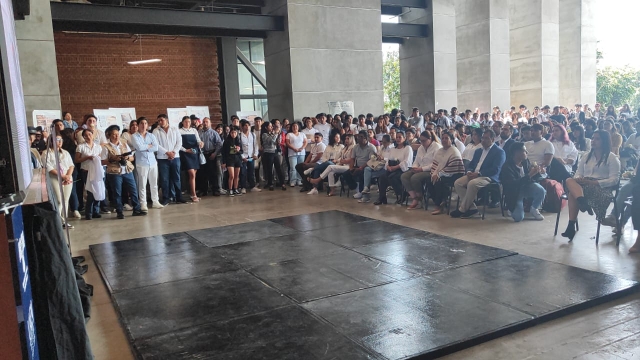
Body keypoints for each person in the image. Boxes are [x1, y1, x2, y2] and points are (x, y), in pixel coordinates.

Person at [561, 130, 621, 241]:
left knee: (572, 194)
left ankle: (571, 226)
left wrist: (594, 182)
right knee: (569, 180)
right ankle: (582, 201)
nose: (593, 141)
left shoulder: (612, 158)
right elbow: (579, 172)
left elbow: (614, 180)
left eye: (597, 139)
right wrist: (579, 178)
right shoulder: (586, 156)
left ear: (604, 141)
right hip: (583, 185)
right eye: (592, 138)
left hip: (601, 187)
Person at [451, 130, 506, 219]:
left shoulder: (499, 152)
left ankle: (462, 209)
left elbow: (495, 169)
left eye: (486, 138)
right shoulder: (478, 151)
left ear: (492, 139)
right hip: (474, 174)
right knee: (458, 183)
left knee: (472, 184)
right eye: (482, 138)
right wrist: (469, 172)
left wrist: (479, 174)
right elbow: (471, 164)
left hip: (489, 177)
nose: (483, 140)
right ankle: (472, 208)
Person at [101, 125, 146, 219]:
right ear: (109, 135)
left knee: (133, 190)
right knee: (117, 193)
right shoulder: (106, 147)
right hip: (115, 173)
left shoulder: (124, 143)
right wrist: (113, 159)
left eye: (117, 134)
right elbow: (102, 161)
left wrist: (127, 157)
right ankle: (119, 211)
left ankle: (136, 209)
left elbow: (132, 157)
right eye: (113, 134)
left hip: (127, 170)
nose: (116, 136)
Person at [500, 142, 546, 222]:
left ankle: (534, 208)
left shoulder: (525, 161)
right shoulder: (507, 167)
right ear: (517, 152)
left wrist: (538, 172)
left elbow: (533, 178)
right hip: (515, 193)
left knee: (541, 190)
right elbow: (513, 185)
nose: (527, 153)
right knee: (518, 218)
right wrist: (529, 175)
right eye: (524, 151)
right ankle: (512, 209)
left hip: (526, 187)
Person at [424, 132, 465, 214]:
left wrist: (439, 174)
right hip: (441, 173)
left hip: (454, 174)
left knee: (439, 181)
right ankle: (442, 201)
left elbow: (452, 168)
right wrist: (434, 174)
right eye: (442, 138)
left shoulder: (454, 151)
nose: (444, 140)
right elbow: (435, 165)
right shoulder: (440, 151)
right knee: (428, 180)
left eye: (447, 138)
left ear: (451, 140)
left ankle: (438, 205)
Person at [42, 134, 75, 228]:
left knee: (65, 199)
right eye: (57, 140)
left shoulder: (65, 152)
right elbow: (48, 167)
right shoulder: (46, 153)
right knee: (59, 200)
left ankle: (64, 221)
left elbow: (71, 165)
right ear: (51, 141)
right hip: (54, 177)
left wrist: (68, 175)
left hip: (67, 176)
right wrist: (62, 176)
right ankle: (57, 221)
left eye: (61, 140)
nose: (59, 142)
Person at [402, 130, 441, 209]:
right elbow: (416, 160)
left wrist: (421, 169)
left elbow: (435, 164)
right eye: (421, 140)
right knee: (404, 176)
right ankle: (414, 198)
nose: (422, 142)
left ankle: (420, 199)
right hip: (420, 169)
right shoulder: (421, 147)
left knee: (415, 178)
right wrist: (414, 167)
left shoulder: (437, 147)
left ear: (430, 139)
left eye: (424, 141)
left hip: (431, 170)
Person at [153, 114, 186, 205]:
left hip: (175, 157)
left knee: (176, 178)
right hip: (162, 158)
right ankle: (166, 198)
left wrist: (173, 152)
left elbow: (179, 142)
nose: (160, 122)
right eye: (158, 121)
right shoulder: (156, 131)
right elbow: (156, 144)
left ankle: (179, 197)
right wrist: (167, 152)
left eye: (161, 120)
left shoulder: (174, 129)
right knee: (164, 179)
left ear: (167, 120)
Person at [132, 117, 163, 210]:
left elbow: (156, 147)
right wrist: (149, 146)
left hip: (153, 162)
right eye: (141, 123)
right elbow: (139, 147)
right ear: (138, 125)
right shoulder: (134, 136)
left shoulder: (151, 135)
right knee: (142, 184)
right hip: (142, 163)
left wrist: (145, 147)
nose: (144, 125)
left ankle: (155, 201)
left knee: (154, 183)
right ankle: (143, 203)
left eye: (145, 123)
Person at [374, 132, 413, 205]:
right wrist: (388, 166)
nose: (398, 139)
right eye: (397, 137)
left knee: (392, 177)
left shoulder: (407, 148)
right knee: (382, 177)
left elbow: (407, 162)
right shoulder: (393, 149)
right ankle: (382, 197)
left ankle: (402, 194)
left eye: (400, 137)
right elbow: (387, 160)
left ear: (404, 138)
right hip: (392, 168)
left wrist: (396, 167)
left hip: (402, 169)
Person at [75, 129, 104, 220]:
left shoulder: (98, 147)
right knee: (90, 192)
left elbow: (100, 158)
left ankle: (96, 211)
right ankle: (89, 212)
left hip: (96, 171)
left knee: (98, 190)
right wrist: (87, 157)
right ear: (83, 137)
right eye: (86, 135)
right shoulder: (81, 147)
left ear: (93, 135)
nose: (88, 137)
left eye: (89, 134)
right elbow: (77, 160)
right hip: (86, 171)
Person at [344, 131, 377, 199]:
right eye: (358, 137)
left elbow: (371, 161)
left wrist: (361, 167)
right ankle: (356, 187)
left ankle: (361, 191)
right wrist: (351, 167)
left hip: (368, 167)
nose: (358, 138)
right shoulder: (356, 147)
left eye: (361, 137)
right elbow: (352, 158)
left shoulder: (371, 147)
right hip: (358, 165)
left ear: (366, 138)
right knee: (346, 174)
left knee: (361, 173)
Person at [178, 116, 203, 202]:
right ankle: (193, 194)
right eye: (185, 121)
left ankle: (192, 193)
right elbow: (178, 144)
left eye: (189, 121)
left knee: (193, 176)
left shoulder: (194, 130)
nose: (187, 123)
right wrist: (185, 150)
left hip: (194, 153)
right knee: (191, 174)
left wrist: (200, 143)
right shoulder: (179, 131)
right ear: (182, 122)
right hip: (185, 154)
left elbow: (198, 140)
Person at [197, 117, 223, 197]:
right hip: (202, 154)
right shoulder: (198, 132)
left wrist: (215, 153)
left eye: (207, 122)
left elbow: (219, 144)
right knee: (202, 173)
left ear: (210, 123)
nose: (205, 123)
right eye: (204, 122)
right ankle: (203, 190)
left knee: (213, 173)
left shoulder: (214, 133)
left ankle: (215, 190)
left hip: (211, 154)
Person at [260, 121, 287, 191]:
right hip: (268, 153)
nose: (272, 127)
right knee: (269, 169)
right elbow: (271, 141)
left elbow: (274, 142)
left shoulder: (272, 134)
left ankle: (282, 183)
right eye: (270, 126)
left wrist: (277, 139)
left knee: (278, 168)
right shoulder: (264, 134)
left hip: (274, 152)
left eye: (272, 126)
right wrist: (275, 133)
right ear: (266, 127)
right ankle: (270, 183)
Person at [221, 126, 243, 196]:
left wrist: (238, 150)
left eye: (235, 133)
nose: (233, 134)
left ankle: (235, 188)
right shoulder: (227, 141)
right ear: (230, 133)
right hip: (230, 160)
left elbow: (242, 151)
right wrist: (224, 162)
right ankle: (230, 189)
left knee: (237, 175)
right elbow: (224, 152)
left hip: (237, 159)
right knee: (232, 175)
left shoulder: (238, 141)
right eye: (232, 133)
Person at [239, 119, 259, 193]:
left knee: (251, 172)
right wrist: (242, 157)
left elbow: (256, 145)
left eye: (248, 125)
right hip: (243, 156)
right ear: (242, 127)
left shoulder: (253, 135)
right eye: (245, 125)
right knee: (243, 172)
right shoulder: (240, 135)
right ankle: (243, 187)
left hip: (251, 156)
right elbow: (239, 147)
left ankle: (252, 186)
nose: (247, 127)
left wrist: (255, 154)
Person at [286, 122, 307, 187]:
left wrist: (302, 148)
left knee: (300, 167)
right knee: (293, 168)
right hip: (292, 153)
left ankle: (299, 180)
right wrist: (294, 148)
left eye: (296, 126)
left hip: (301, 153)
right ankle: (292, 181)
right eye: (293, 126)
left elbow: (305, 142)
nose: (295, 127)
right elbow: (287, 143)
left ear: (298, 127)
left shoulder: (302, 134)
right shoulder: (289, 134)